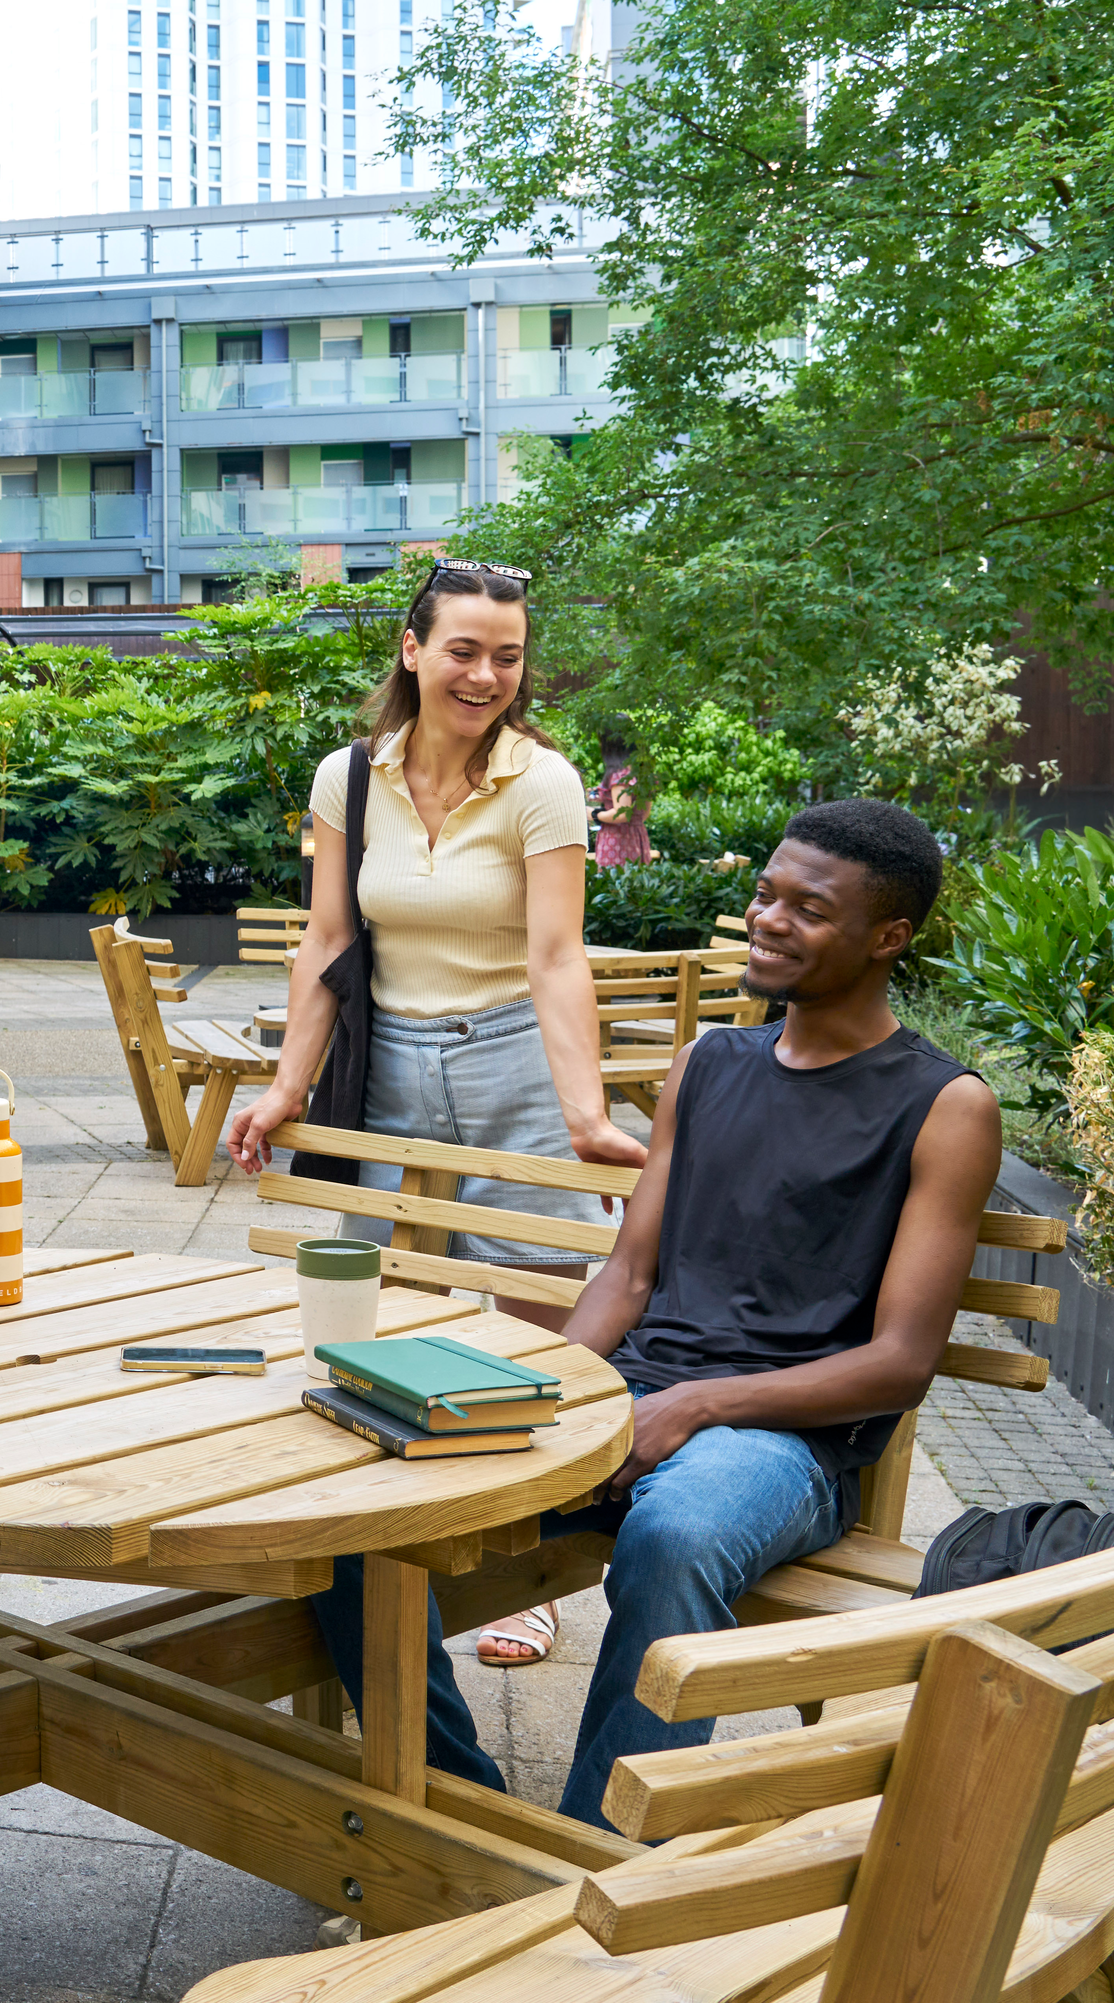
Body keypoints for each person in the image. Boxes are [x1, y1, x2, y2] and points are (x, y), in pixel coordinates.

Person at [303, 800, 1001, 1831]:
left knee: (673, 1534)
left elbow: (899, 1361)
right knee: (349, 1510)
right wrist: (540, 1395)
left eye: (809, 909)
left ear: (888, 936)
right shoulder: (708, 1065)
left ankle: (595, 1859)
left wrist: (696, 1407)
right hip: (636, 1391)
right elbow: (628, 1278)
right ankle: (461, 1814)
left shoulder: (945, 1104)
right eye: (767, 893)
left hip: (786, 1441)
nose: (768, 919)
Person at [228, 557, 649, 1669]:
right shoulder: (348, 778)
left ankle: (533, 1566)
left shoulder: (543, 782)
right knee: (381, 1315)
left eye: (507, 655)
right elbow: (328, 942)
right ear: (412, 649)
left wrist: (586, 1113)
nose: (486, 674)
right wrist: (280, 1091)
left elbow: (558, 958)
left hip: (511, 1057)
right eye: (464, 649)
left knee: (542, 1315)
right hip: (390, 1070)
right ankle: (377, 1550)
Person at [593, 731, 656, 867]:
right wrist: (606, 798)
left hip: (616, 842)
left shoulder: (619, 775)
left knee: (613, 884)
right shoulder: (641, 772)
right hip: (637, 839)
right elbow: (643, 814)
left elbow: (622, 813)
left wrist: (594, 814)